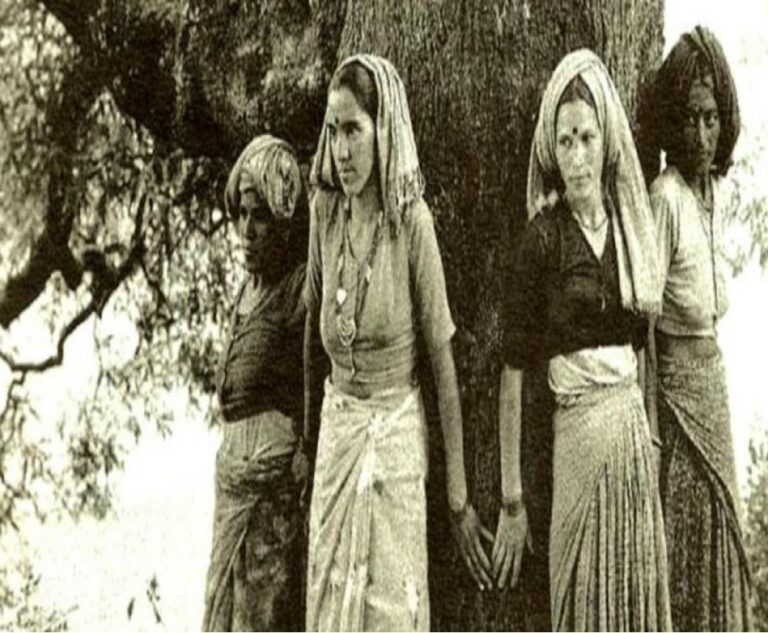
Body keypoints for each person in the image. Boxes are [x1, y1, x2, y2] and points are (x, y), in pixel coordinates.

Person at [301, 53, 491, 631]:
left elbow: (443, 365)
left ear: (384, 131)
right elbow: (313, 341)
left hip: (398, 442)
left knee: (389, 613)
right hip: (338, 442)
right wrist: (310, 443)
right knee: (331, 607)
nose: (342, 149)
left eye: (354, 129)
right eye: (333, 131)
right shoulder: (325, 215)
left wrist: (457, 498)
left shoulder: (413, 225)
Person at [494, 49, 671, 631]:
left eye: (587, 138)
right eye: (564, 140)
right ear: (551, 147)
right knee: (580, 603)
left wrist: (646, 434)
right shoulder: (543, 239)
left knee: (634, 603)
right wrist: (512, 501)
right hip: (575, 439)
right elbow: (514, 371)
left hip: (630, 449)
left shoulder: (630, 233)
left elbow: (642, 347)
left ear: (607, 141)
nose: (576, 157)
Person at [651, 25, 752, 631]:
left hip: (712, 388)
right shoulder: (665, 197)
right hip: (676, 396)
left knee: (723, 534)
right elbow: (644, 317)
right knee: (686, 539)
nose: (701, 134)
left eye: (712, 118)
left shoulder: (713, 193)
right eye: (689, 119)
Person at [202, 135, 307, 631]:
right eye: (242, 215)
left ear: (284, 225)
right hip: (234, 482)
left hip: (271, 489)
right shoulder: (247, 289)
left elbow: (316, 377)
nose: (247, 230)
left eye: (260, 217)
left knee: (258, 621)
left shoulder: (297, 289)